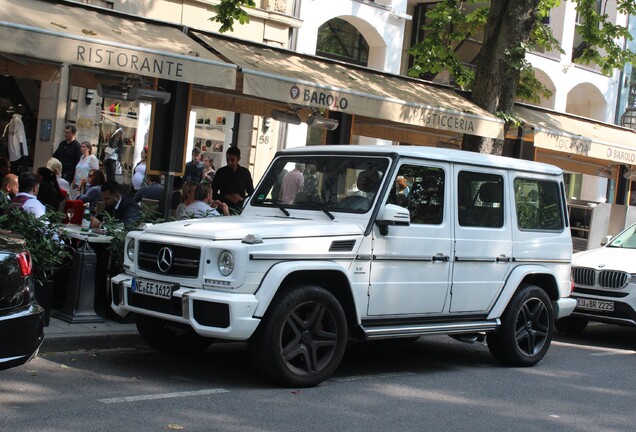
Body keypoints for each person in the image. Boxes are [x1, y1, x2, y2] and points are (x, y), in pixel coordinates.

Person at [212, 146, 254, 212]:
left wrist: (241, 198)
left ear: (238, 159)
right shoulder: (221, 172)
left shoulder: (245, 173)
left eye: (232, 160)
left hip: (240, 209)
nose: (229, 163)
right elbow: (213, 193)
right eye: (227, 160)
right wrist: (226, 196)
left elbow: (251, 194)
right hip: (223, 208)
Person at [1, 106, 28, 174]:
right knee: (16, 167)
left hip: (11, 148)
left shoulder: (11, 121)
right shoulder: (18, 120)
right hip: (17, 148)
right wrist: (23, 151)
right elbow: (20, 136)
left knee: (13, 166)